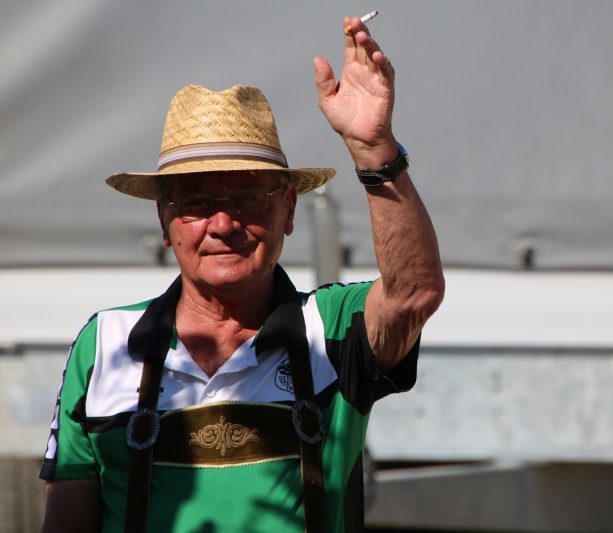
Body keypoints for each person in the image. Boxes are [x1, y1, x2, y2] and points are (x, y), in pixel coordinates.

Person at [39, 15, 444, 533]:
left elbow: (414, 295)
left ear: (289, 211)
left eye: (248, 198)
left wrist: (375, 150)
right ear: (164, 220)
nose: (223, 224)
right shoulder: (106, 343)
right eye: (196, 202)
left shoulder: (329, 328)